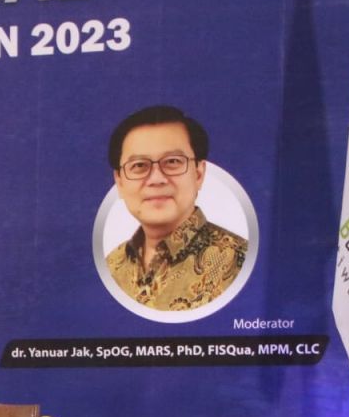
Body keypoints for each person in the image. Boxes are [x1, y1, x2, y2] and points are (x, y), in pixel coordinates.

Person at [104, 105, 248, 311]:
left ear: (198, 174)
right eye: (139, 165)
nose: (156, 179)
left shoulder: (241, 260)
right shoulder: (111, 264)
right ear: (119, 182)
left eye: (172, 162)